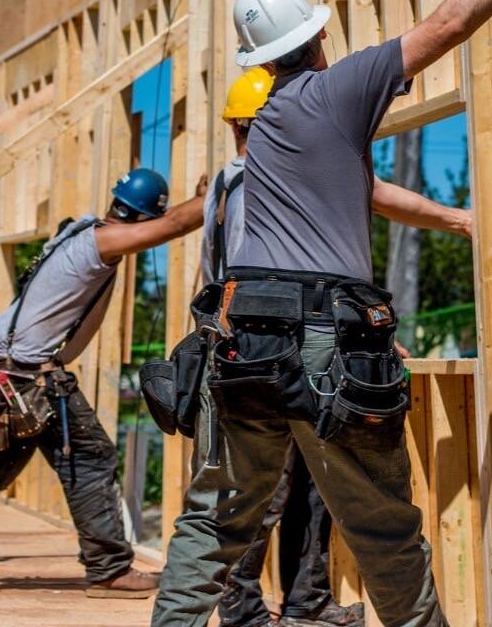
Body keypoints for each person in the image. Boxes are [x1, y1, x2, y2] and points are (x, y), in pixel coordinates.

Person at [153, 0, 492, 627]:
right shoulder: (336, 93)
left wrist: (452, 219)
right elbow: (449, 23)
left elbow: (371, 194)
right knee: (382, 527)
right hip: (325, 338)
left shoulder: (270, 130)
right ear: (318, 37)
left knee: (216, 521)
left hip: (243, 338)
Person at [198, 72, 471, 627]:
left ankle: (303, 600)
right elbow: (278, 277)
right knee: (266, 488)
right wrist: (456, 219)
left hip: (253, 348)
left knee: (305, 486)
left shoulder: (234, 181)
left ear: (233, 124)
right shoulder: (262, 184)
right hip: (267, 348)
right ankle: (245, 609)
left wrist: (453, 218)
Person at [0, 168, 209, 597]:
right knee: (91, 458)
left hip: (3, 369)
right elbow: (173, 226)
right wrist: (214, 195)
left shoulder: (75, 235)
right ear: (141, 216)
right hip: (30, 377)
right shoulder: (101, 242)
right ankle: (110, 569)